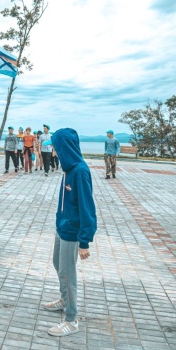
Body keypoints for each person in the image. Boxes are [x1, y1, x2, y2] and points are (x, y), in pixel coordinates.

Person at [44, 128, 97, 337]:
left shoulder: (80, 172)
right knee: (57, 264)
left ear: (64, 148)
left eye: (55, 148)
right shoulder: (67, 169)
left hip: (72, 232)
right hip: (62, 227)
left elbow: (87, 207)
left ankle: (71, 319)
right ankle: (65, 300)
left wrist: (84, 241)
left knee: (67, 273)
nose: (53, 152)